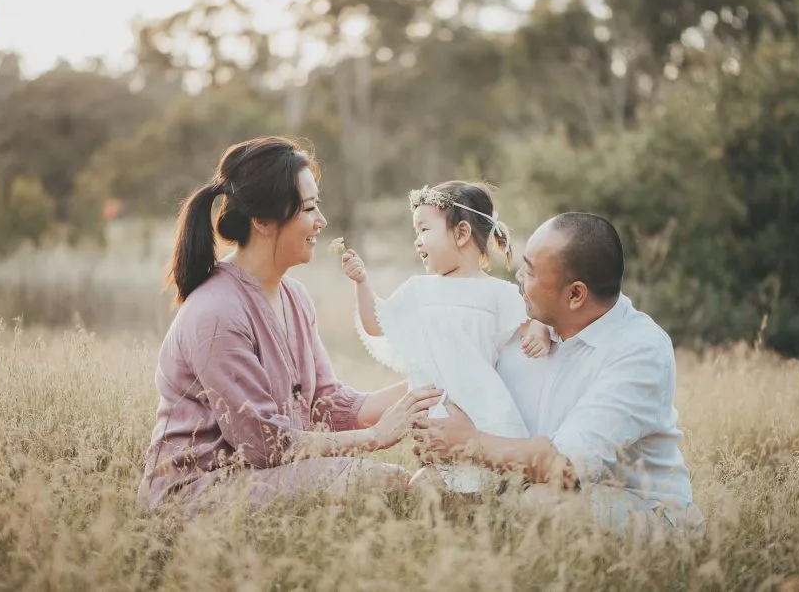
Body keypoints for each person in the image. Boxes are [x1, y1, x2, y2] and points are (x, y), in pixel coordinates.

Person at [137, 136, 443, 510]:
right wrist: (377, 437)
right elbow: (264, 444)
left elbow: (325, 404)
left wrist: (432, 383)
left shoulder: (294, 297)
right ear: (263, 221)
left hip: (259, 476)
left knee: (396, 484)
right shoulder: (215, 313)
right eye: (310, 208)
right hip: (199, 492)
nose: (322, 221)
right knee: (385, 484)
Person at [413, 212, 704, 536]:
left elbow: (565, 467)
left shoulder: (640, 350)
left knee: (540, 505)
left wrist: (466, 443)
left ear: (576, 294)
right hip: (529, 484)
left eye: (532, 272)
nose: (519, 276)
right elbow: (463, 378)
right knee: (429, 486)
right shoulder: (528, 324)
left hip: (642, 508)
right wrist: (432, 429)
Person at [340, 181, 552, 493]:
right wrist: (362, 284)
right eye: (416, 232)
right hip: (437, 424)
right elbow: (377, 325)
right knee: (429, 489)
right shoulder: (418, 291)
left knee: (486, 490)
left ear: (462, 233)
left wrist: (539, 328)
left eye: (424, 229)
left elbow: (533, 320)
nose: (417, 241)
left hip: (487, 417)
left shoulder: (498, 293)